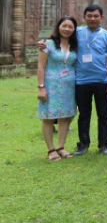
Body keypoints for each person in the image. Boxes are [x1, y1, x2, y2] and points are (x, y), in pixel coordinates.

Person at [74, 4, 107, 155]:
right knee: (84, 114)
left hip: (102, 81)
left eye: (96, 16)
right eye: (89, 16)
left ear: (101, 17)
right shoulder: (77, 32)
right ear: (84, 17)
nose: (93, 19)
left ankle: (104, 144)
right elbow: (60, 41)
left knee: (103, 114)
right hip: (81, 81)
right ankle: (83, 144)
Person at [37, 16, 78, 160]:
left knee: (66, 116)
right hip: (51, 84)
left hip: (69, 86)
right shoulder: (47, 44)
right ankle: (51, 150)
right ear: (58, 27)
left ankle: (61, 146)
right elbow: (41, 66)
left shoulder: (75, 45)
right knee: (49, 116)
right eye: (64, 26)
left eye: (70, 27)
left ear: (74, 30)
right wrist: (41, 87)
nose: (67, 29)